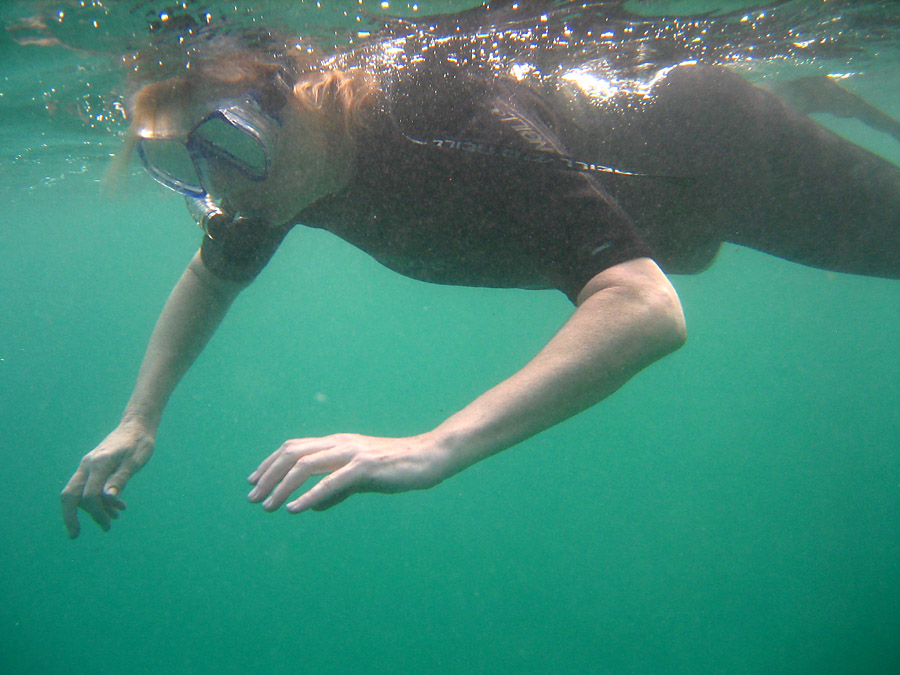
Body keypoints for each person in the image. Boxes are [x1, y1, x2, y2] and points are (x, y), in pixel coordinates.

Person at [60, 15, 900, 538]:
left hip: (729, 163)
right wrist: (139, 418)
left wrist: (435, 446)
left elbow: (643, 305)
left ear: (304, 93)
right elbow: (213, 275)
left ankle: (797, 99)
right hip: (667, 205)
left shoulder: (441, 115)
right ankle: (807, 91)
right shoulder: (286, 173)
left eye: (230, 141)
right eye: (186, 162)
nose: (224, 188)